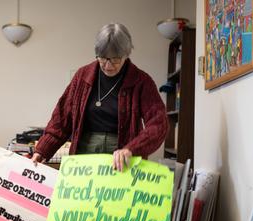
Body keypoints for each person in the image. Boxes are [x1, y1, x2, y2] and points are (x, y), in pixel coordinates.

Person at [31, 23, 168, 171]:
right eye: (103, 58)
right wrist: (42, 150)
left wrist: (132, 149)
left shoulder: (141, 81)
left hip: (121, 159)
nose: (108, 66)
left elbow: (159, 125)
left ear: (126, 55)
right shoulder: (82, 77)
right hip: (83, 155)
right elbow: (62, 119)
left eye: (115, 59)